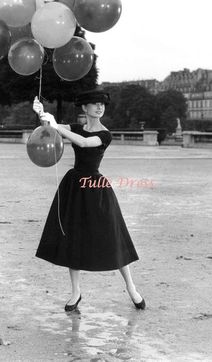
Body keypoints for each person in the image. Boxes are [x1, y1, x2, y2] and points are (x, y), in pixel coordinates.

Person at [33, 89, 146, 312]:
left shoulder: (105, 134)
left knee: (113, 236)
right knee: (73, 237)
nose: (99, 107)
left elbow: (84, 143)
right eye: (94, 104)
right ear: (85, 108)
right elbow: (50, 128)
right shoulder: (77, 128)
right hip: (74, 187)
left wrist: (56, 125)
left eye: (102, 104)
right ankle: (76, 292)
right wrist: (42, 114)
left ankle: (131, 288)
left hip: (96, 188)